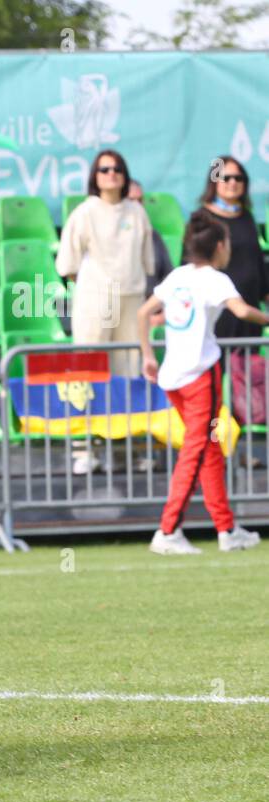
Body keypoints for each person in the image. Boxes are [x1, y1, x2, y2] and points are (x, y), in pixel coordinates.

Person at [139, 211, 267, 555]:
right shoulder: (215, 279)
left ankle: (226, 528)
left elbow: (144, 314)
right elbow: (242, 312)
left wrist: (147, 354)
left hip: (173, 378)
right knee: (196, 450)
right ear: (220, 246)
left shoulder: (179, 276)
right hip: (199, 377)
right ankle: (168, 530)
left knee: (210, 446)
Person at [57, 149, 155, 474]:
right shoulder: (84, 212)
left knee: (129, 370)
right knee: (88, 369)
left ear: (125, 175)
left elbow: (147, 262)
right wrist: (97, 287)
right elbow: (67, 266)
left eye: (116, 169)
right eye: (104, 169)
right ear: (94, 177)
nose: (111, 174)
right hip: (96, 300)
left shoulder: (137, 213)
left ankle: (129, 447)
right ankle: (83, 449)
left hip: (132, 300)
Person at [200, 156, 269, 340]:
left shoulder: (247, 217)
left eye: (238, 178)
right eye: (226, 178)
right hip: (217, 313)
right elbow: (192, 264)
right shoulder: (202, 218)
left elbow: (257, 263)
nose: (232, 183)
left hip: (249, 311)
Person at [128, 180, 173, 298]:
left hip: (154, 308)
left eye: (140, 200)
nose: (137, 205)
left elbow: (169, 277)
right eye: (131, 200)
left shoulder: (153, 236)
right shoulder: (108, 239)